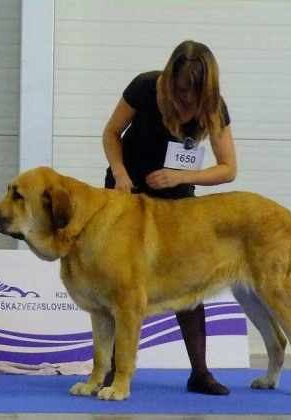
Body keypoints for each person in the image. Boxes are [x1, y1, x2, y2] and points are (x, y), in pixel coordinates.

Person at [102, 40, 237, 396]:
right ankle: (114, 372)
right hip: (125, 193)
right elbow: (111, 133)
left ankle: (200, 372)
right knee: (122, 287)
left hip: (177, 201)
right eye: (180, 90)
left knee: (189, 285)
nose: (186, 100)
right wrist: (119, 172)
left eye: (194, 94)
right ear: (169, 79)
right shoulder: (145, 87)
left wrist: (182, 177)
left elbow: (228, 169)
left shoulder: (214, 107)